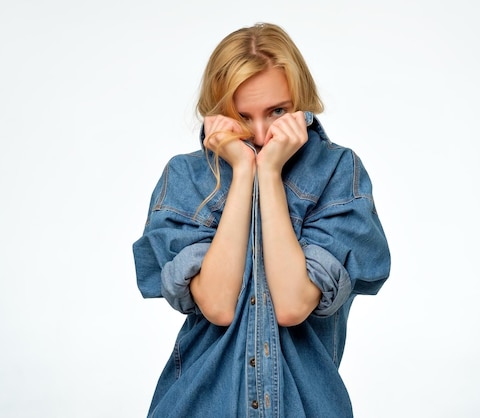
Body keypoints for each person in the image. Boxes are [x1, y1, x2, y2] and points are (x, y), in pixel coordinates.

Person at [133, 22, 391, 417]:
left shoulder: (338, 172)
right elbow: (218, 305)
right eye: (242, 116)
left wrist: (268, 174)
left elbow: (292, 305)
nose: (259, 133)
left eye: (277, 112)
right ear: (219, 112)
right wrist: (242, 171)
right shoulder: (186, 178)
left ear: (301, 100)